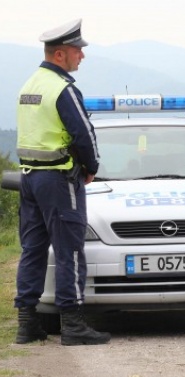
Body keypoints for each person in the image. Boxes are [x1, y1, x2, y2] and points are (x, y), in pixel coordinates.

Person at [14, 19, 110, 346]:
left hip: (29, 179)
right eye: (76, 51)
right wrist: (92, 166)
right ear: (60, 54)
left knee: (33, 250)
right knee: (69, 249)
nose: (81, 57)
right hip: (59, 179)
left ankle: (27, 324)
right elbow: (84, 133)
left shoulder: (30, 84)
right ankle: (73, 326)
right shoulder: (62, 88)